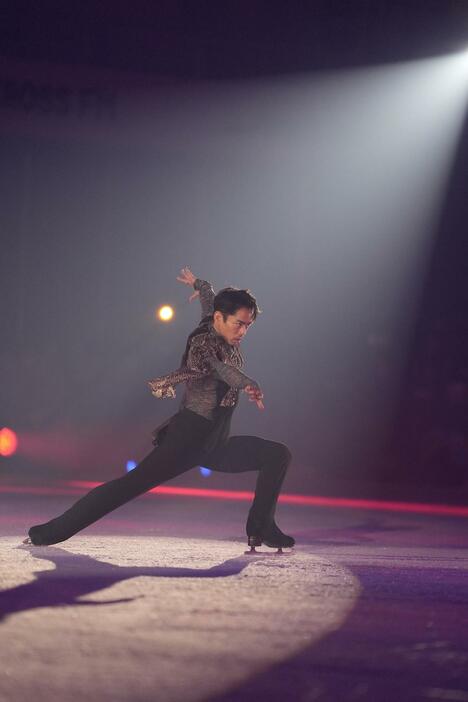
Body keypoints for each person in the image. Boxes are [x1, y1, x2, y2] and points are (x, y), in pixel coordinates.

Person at [24, 268, 294, 552]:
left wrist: (198, 284)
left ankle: (261, 527)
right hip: (188, 441)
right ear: (219, 318)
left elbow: (208, 298)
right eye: (239, 324)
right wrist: (246, 382)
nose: (243, 331)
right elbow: (221, 369)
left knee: (277, 455)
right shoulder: (202, 344)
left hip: (216, 442)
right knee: (127, 487)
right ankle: (49, 532)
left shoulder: (214, 320)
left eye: (248, 325)